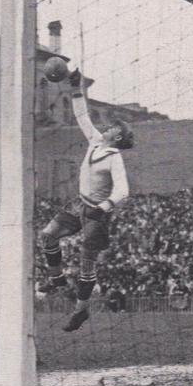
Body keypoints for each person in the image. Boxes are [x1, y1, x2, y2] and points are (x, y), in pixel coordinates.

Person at [40, 67, 134, 332]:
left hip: (97, 213)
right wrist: (75, 89)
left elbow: (123, 190)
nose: (107, 126)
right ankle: (57, 280)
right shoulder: (95, 141)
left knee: (86, 261)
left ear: (117, 136)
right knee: (48, 235)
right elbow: (82, 116)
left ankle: (81, 311)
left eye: (113, 127)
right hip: (79, 203)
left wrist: (104, 208)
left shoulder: (115, 157)